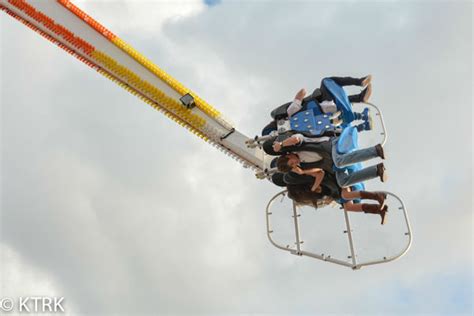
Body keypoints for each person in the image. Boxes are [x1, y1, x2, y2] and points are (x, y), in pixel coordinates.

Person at [274, 133, 387, 188]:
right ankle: (377, 170)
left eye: (292, 162)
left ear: (288, 156)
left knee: (338, 161)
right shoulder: (302, 165)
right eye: (293, 165)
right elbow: (320, 173)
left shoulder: (298, 145)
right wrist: (312, 185)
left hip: (333, 144)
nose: (296, 163)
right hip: (334, 163)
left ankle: (375, 151)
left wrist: (281, 144)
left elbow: (295, 139)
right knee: (342, 182)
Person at [286, 181, 388, 225]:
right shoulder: (314, 192)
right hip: (339, 188)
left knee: (345, 196)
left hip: (340, 181)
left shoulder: (308, 182)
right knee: (349, 207)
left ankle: (377, 195)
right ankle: (378, 209)